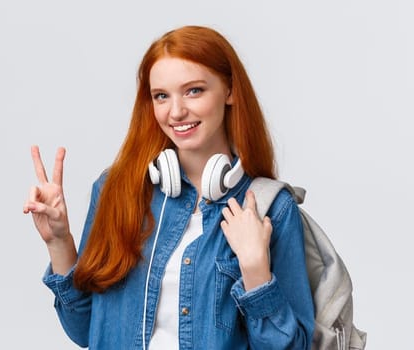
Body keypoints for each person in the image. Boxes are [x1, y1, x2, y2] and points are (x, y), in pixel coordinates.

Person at [22, 26, 315, 349]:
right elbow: (85, 330)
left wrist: (255, 270)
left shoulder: (271, 209)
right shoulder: (115, 191)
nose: (176, 112)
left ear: (230, 90)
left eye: (194, 91)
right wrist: (60, 242)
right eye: (161, 96)